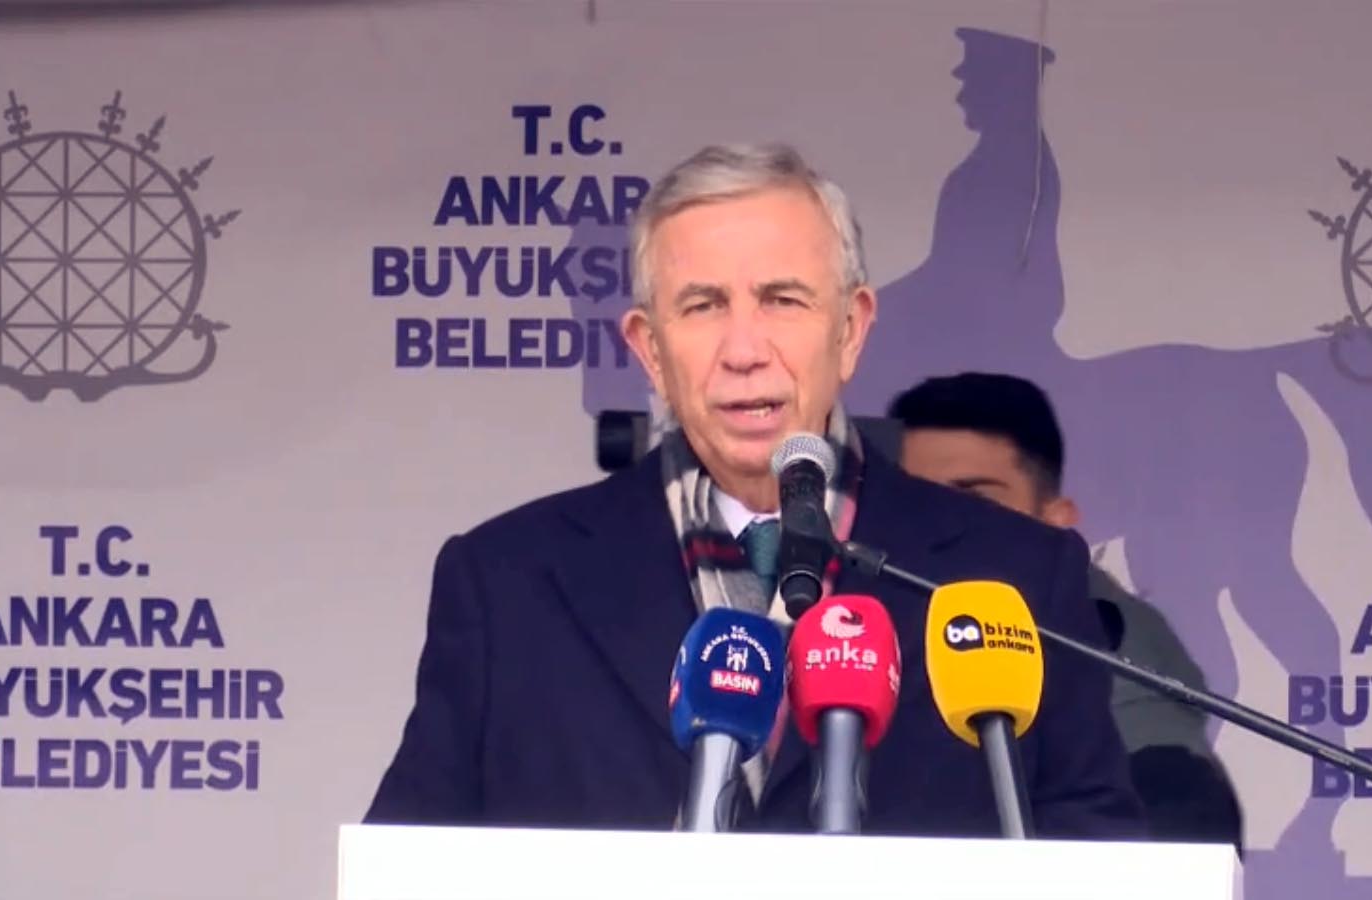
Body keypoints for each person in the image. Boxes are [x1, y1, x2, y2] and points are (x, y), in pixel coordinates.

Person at [365, 144, 1145, 838]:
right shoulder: (506, 583)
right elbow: (398, 869)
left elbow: (1106, 862)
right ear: (649, 349)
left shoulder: (1015, 579)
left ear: (850, 329)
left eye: (782, 299)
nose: (743, 349)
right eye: (703, 305)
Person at [889, 371, 1244, 851]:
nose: (941, 527)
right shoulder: (851, 627)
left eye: (972, 502)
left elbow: (1171, 840)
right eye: (914, 502)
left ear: (1054, 523)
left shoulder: (1115, 656)